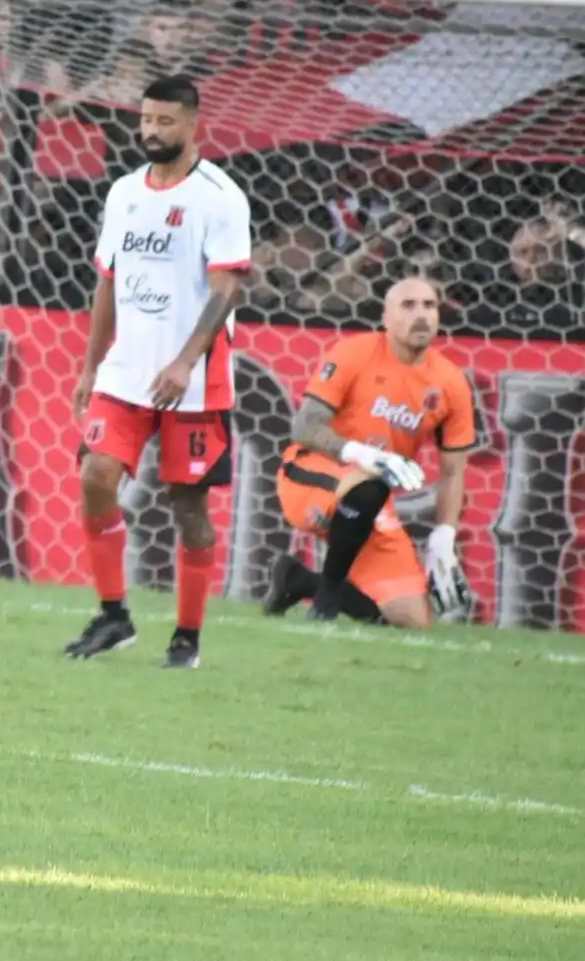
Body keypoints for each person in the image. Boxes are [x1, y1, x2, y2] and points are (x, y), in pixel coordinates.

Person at [64, 75, 251, 669]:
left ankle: (187, 637)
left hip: (193, 382)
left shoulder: (220, 197)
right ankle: (113, 615)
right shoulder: (124, 192)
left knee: (187, 507)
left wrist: (185, 360)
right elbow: (107, 282)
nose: (151, 130)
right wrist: (91, 367)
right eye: (146, 119)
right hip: (125, 373)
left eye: (165, 121)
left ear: (193, 123)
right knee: (96, 476)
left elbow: (227, 290)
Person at [264, 277, 476, 628]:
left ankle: (298, 581)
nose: (421, 315)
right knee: (367, 487)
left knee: (413, 618)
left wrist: (444, 536)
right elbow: (305, 427)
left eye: (429, 306)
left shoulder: (450, 382)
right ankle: (327, 598)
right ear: (385, 317)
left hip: (369, 503)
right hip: (309, 477)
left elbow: (453, 472)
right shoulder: (355, 353)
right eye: (408, 306)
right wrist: (361, 454)